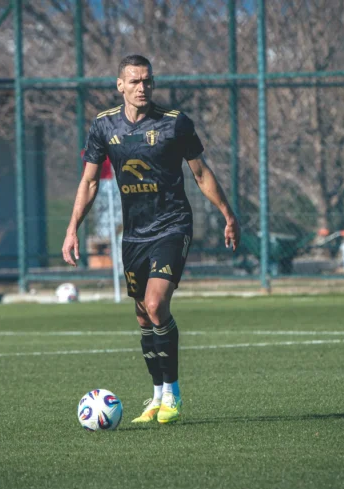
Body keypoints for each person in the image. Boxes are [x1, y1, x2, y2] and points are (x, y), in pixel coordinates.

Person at [62, 54, 240, 424]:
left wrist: (228, 214)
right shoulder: (104, 126)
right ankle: (156, 396)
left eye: (147, 80)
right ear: (120, 85)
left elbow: (201, 173)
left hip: (172, 226)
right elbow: (90, 181)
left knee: (157, 305)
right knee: (143, 316)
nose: (142, 87)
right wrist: (72, 228)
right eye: (134, 81)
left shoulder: (175, 123)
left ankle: (173, 394)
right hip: (135, 235)